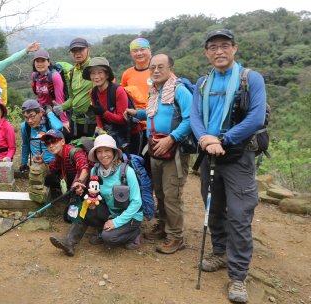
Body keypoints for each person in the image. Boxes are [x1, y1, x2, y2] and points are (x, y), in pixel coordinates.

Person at [190, 29, 266, 304]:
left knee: (239, 214)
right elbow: (195, 116)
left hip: (238, 156)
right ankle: (219, 252)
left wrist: (224, 139)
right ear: (206, 53)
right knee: (213, 209)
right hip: (210, 153)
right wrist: (204, 139)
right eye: (213, 47)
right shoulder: (202, 83)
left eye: (224, 46)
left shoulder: (250, 78)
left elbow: (256, 117)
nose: (218, 51)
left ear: (234, 48)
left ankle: (238, 275)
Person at [125, 54, 192, 254]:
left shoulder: (180, 91)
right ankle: (163, 226)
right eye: (152, 67)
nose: (155, 70)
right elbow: (153, 113)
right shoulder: (155, 91)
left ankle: (176, 237)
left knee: (172, 194)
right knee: (160, 192)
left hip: (174, 150)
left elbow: (190, 119)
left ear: (170, 68)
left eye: (160, 67)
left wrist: (171, 138)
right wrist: (137, 113)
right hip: (155, 148)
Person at [49, 134, 142, 256]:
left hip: (131, 216)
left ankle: (134, 233)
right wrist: (89, 199)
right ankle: (69, 242)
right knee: (86, 206)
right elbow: (95, 192)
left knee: (108, 238)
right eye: (99, 151)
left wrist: (116, 222)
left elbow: (137, 202)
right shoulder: (96, 170)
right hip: (111, 211)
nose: (103, 155)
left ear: (114, 152)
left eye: (107, 151)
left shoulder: (127, 171)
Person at [84, 57, 143, 155]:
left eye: (100, 72)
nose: (96, 76)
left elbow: (122, 119)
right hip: (111, 134)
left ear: (107, 74)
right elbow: (98, 114)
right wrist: (100, 128)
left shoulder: (118, 91)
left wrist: (104, 113)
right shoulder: (93, 92)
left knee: (132, 163)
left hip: (130, 134)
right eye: (93, 73)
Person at [56, 38, 96, 139]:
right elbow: (72, 97)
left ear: (88, 50)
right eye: (74, 51)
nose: (77, 53)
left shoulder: (96, 69)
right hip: (75, 121)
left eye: (81, 50)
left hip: (93, 122)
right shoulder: (72, 72)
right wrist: (62, 107)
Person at [37, 129, 90, 197]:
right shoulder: (58, 155)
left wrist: (79, 182)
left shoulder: (74, 152)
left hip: (87, 181)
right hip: (72, 178)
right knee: (49, 178)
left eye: (53, 141)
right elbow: (50, 169)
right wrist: (42, 162)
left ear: (63, 141)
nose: (51, 145)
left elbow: (84, 167)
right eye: (47, 143)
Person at [19, 99, 63, 174]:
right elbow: (25, 144)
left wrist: (49, 113)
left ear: (40, 113)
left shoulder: (49, 123)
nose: (29, 121)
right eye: (26, 117)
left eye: (32, 116)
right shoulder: (25, 127)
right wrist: (23, 163)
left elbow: (58, 127)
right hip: (38, 163)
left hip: (55, 162)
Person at [30, 49, 69, 127]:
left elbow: (60, 99)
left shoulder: (54, 76)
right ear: (34, 63)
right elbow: (38, 95)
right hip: (41, 110)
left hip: (54, 112)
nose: (40, 64)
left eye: (43, 61)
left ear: (48, 62)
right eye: (37, 61)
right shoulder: (34, 76)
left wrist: (64, 121)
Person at [120, 37, 153, 111]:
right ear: (131, 54)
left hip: (157, 118)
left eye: (142, 49)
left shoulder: (159, 71)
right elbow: (122, 96)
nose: (139, 53)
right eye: (135, 51)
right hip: (135, 119)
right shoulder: (127, 74)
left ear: (149, 51)